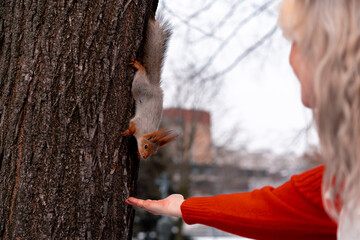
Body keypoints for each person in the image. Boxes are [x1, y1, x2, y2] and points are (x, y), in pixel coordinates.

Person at [126, 0, 360, 239]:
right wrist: (185, 207)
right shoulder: (345, 183)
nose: (291, 57)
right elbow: (276, 209)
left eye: (298, 42)